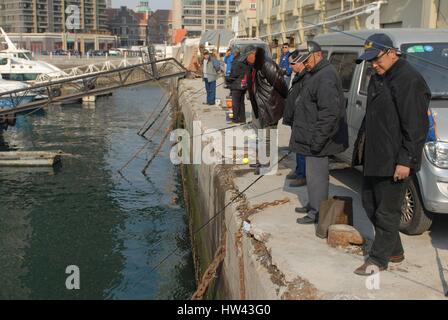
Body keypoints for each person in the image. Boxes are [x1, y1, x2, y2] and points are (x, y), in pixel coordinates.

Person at [352, 33, 430, 276]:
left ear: (391, 52)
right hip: (376, 155)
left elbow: (416, 127)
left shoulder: (409, 81)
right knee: (368, 202)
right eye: (370, 61)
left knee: (387, 211)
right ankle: (394, 250)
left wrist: (405, 161)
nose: (373, 65)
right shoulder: (379, 76)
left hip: (395, 159)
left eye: (376, 59)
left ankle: (378, 259)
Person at [292, 41, 348, 225]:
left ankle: (317, 212)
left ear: (317, 55)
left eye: (307, 60)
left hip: (318, 138)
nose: (305, 64)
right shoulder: (315, 73)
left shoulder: (326, 77)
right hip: (310, 135)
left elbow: (329, 113)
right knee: (311, 175)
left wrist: (317, 141)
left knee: (317, 177)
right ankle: (313, 204)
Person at [244, 45, 288, 172]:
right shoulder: (253, 66)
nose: (246, 60)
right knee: (261, 135)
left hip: (270, 106)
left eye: (247, 57)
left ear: (253, 55)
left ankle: (268, 163)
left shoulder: (267, 64)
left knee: (269, 135)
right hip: (259, 105)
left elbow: (280, 83)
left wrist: (281, 100)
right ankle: (263, 159)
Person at [283, 49, 309, 188]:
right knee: (297, 147)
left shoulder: (306, 77)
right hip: (295, 118)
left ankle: (302, 176)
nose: (290, 67)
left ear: (300, 62)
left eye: (292, 63)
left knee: (301, 148)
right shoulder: (297, 75)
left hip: (301, 119)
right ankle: (299, 170)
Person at [228, 49, 249, 123]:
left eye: (232, 53)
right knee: (241, 102)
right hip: (243, 85)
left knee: (235, 103)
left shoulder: (236, 61)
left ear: (235, 53)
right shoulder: (244, 61)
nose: (232, 54)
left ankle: (235, 119)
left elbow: (234, 74)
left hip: (236, 85)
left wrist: (228, 79)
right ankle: (242, 119)